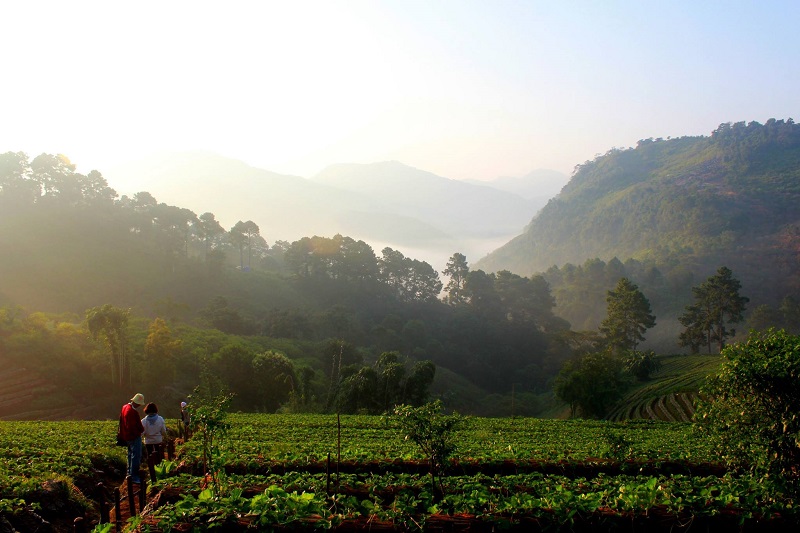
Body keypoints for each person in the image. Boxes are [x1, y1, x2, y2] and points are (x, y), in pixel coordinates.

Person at [119, 393, 145, 483]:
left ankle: (129, 473)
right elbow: (134, 426)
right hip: (134, 436)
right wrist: (141, 430)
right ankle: (134, 476)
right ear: (136, 403)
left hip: (126, 436)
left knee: (130, 454)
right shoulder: (133, 412)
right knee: (136, 456)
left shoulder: (124, 407)